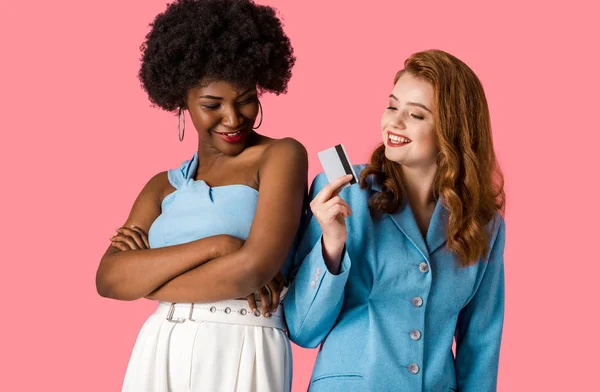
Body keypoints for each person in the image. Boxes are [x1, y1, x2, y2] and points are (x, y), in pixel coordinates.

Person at [95, 1, 306, 391]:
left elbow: (253, 269)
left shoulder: (282, 156)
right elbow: (108, 280)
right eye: (212, 105)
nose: (233, 118)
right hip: (161, 343)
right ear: (181, 101)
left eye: (244, 99)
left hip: (244, 341)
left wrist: (143, 279)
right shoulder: (162, 186)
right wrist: (219, 247)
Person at [284, 49, 506, 392]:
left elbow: (481, 344)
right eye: (392, 106)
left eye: (415, 115)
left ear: (454, 131)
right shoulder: (346, 192)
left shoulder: (485, 225)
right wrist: (331, 245)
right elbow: (303, 330)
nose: (394, 123)